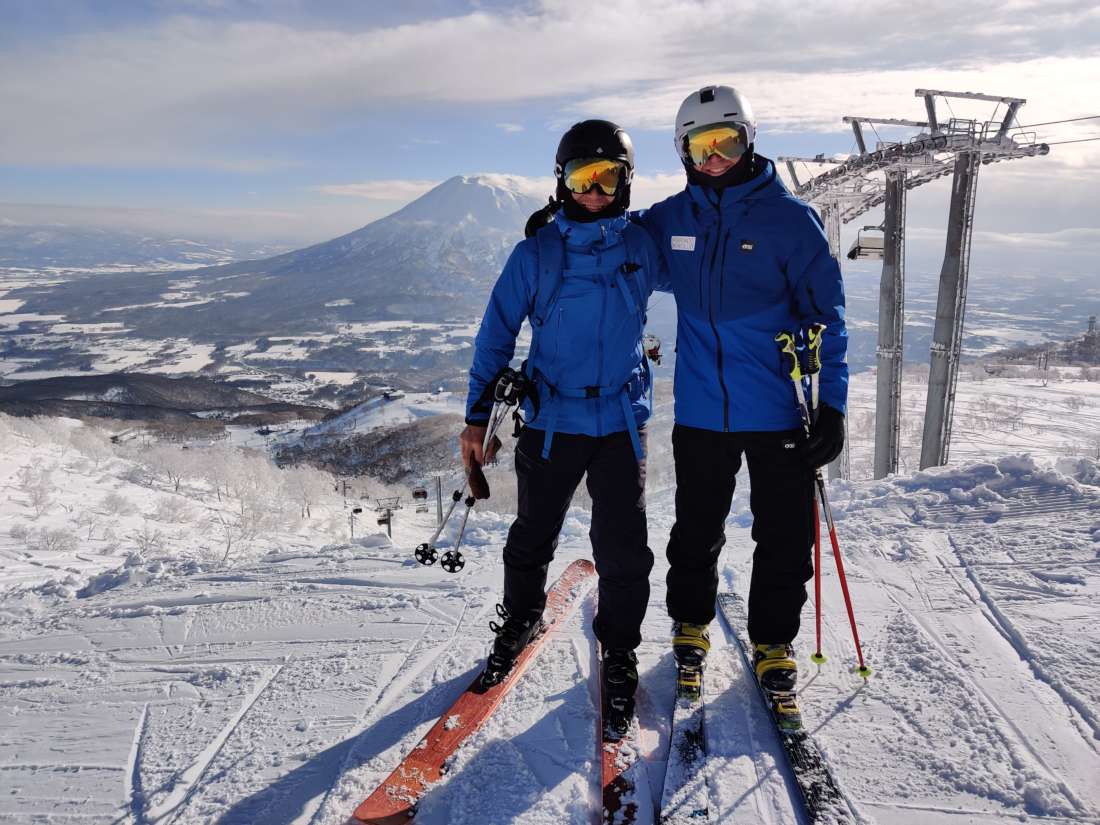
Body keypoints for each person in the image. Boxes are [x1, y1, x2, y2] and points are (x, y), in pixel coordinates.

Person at [527, 86, 848, 713]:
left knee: (783, 537)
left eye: (727, 141)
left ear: (749, 139)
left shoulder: (791, 222)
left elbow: (828, 316)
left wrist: (831, 403)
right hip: (702, 411)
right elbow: (612, 238)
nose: (716, 158)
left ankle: (774, 643)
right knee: (695, 533)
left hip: (781, 408)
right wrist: (558, 230)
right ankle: (690, 625)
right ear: (683, 152)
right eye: (702, 145)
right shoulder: (673, 220)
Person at [461, 120, 668, 735]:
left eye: (608, 178)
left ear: (626, 183)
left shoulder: (643, 245)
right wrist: (476, 416)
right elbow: (495, 333)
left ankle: (621, 651)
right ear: (562, 183)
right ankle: (521, 619)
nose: (595, 192)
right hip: (552, 421)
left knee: (624, 549)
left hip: (621, 425)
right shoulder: (536, 255)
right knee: (532, 535)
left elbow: (706, 264)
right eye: (583, 178)